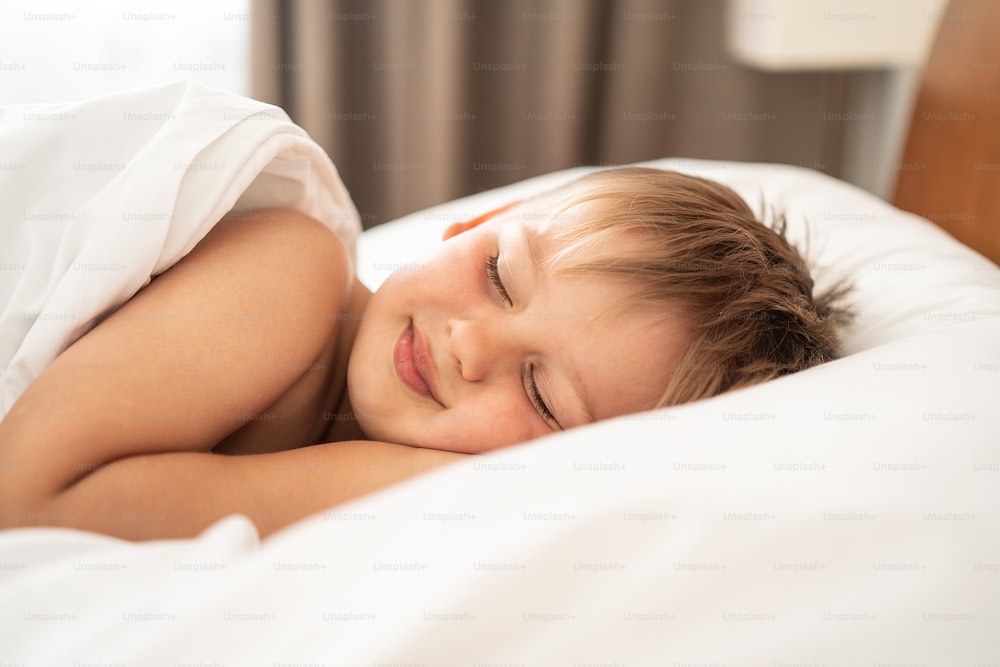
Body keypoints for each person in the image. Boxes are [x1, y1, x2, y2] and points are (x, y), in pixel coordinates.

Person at [0, 167, 848, 540]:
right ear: (477, 221)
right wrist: (412, 474)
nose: (470, 344)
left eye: (545, 395)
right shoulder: (293, 275)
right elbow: (29, 503)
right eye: (498, 274)